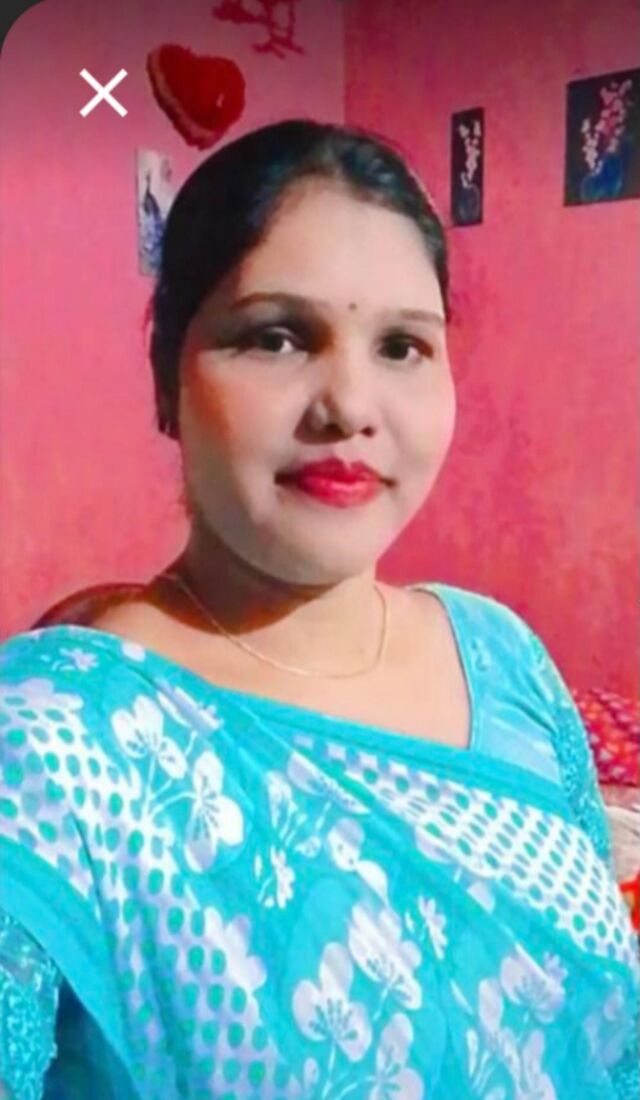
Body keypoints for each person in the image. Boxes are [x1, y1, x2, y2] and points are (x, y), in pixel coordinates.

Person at [0, 119, 637, 1100]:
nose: (349, 403)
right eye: (277, 336)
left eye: (402, 346)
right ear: (168, 381)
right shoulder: (55, 745)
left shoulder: (504, 658)